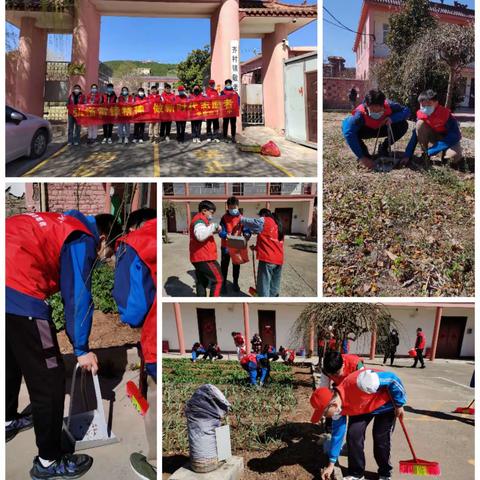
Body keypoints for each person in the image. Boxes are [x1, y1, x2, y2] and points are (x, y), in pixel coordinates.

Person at [6, 210, 122, 479]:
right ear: (102, 238)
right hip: (18, 286)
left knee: (11, 356)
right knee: (49, 376)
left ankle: (8, 419)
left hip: (8, 275)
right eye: (110, 251)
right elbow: (78, 296)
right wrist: (81, 349)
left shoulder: (63, 222)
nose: (105, 259)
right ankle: (48, 461)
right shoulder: (81, 239)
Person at [112, 208, 157, 480]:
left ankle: (153, 465)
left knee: (155, 399)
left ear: (136, 225)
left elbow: (133, 310)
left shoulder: (135, 242)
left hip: (153, 336)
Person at [312, 368, 407, 480]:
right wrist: (331, 465)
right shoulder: (337, 409)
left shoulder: (362, 382)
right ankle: (356, 473)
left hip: (385, 404)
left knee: (380, 438)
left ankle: (385, 473)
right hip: (362, 407)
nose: (324, 417)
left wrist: (399, 403)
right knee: (353, 434)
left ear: (332, 405)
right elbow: (337, 436)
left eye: (324, 413)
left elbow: (392, 379)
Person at [342, 89, 410, 170]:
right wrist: (361, 157)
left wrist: (392, 118)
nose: (376, 113)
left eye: (379, 110)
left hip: (382, 128)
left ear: (383, 105)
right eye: (373, 110)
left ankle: (384, 147)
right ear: (367, 105)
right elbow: (348, 132)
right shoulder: (359, 115)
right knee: (353, 134)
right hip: (366, 130)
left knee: (403, 125)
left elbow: (406, 111)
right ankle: (364, 153)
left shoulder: (390, 105)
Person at [402, 89, 463, 166]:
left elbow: (455, 135)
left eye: (429, 104)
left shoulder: (445, 114)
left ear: (436, 103)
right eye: (423, 105)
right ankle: (425, 154)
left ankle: (445, 153)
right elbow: (415, 134)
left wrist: (435, 149)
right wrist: (407, 155)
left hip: (449, 139)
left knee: (454, 157)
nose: (425, 108)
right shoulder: (421, 114)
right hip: (434, 136)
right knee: (419, 124)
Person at [240, 209, 284, 297]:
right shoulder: (278, 224)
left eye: (260, 216)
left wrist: (240, 218)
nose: (260, 218)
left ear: (263, 214)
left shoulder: (265, 219)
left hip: (267, 260)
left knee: (264, 285)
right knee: (274, 285)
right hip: (279, 260)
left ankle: (264, 303)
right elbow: (271, 242)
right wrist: (256, 248)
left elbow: (254, 222)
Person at [189, 200, 223, 297]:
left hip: (198, 257)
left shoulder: (200, 220)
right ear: (204, 210)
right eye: (211, 212)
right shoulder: (199, 220)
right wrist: (213, 226)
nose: (211, 215)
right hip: (204, 257)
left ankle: (202, 301)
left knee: (202, 281)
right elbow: (200, 235)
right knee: (218, 280)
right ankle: (213, 303)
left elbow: (203, 233)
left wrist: (213, 230)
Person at [219, 196, 250, 294]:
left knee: (236, 266)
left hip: (237, 246)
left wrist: (247, 234)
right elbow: (220, 231)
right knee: (224, 266)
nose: (233, 209)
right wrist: (225, 235)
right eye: (231, 207)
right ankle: (223, 284)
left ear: (238, 206)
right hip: (226, 246)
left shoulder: (241, 218)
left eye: (234, 207)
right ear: (228, 207)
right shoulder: (224, 218)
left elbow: (246, 229)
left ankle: (235, 283)